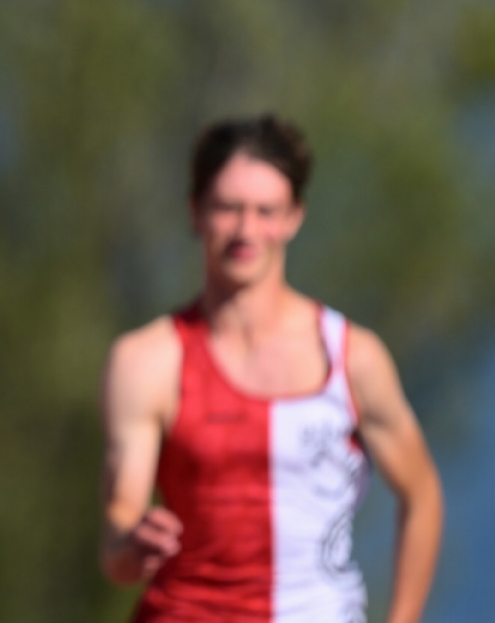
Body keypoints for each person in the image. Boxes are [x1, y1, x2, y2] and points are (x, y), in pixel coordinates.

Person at [99, 114, 443, 621]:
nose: (246, 230)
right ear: (195, 212)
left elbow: (422, 495)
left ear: (295, 217)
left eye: (266, 211)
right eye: (228, 208)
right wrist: (135, 543)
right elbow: (118, 536)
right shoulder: (146, 360)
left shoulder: (352, 357)